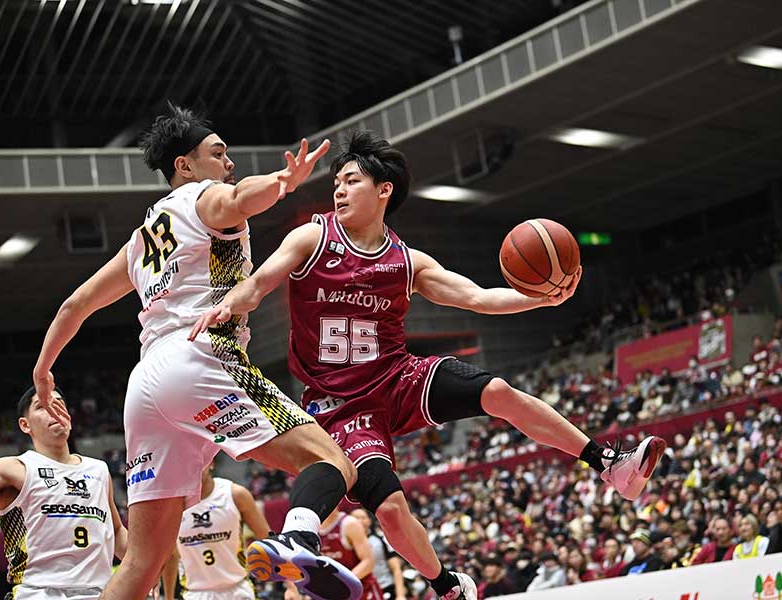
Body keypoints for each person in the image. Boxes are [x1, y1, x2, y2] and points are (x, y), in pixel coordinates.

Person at [189, 130, 666, 600]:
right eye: (336, 182)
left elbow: (477, 297)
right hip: (337, 403)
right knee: (392, 510)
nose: (338, 189)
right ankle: (446, 586)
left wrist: (539, 298)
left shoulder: (407, 261)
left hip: (398, 377)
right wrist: (229, 304)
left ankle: (609, 464)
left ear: (383, 190)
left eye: (351, 180)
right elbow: (259, 282)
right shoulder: (312, 237)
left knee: (498, 392)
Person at [32, 104, 361, 600]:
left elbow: (75, 304)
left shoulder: (141, 240)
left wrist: (42, 369)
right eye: (218, 152)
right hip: (202, 356)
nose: (228, 162)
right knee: (335, 463)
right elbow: (239, 198)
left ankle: (295, 543)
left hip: (145, 384)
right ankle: (295, 539)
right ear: (184, 165)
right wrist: (282, 182)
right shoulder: (203, 198)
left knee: (142, 563)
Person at [0, 389, 128, 599]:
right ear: (25, 425)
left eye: (59, 404)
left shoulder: (99, 470)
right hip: (39, 593)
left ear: (70, 418)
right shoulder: (12, 468)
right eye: (42, 406)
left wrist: (155, 557)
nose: (54, 411)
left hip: (99, 593)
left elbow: (117, 531)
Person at [162, 462, 270, 600]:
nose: (194, 466)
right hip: (195, 593)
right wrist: (168, 597)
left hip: (238, 590)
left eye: (199, 460)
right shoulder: (172, 505)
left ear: (211, 462)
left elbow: (267, 540)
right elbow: (170, 555)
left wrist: (290, 586)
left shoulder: (236, 495)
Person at [286, 508, 383, 600]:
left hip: (362, 591)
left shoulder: (349, 524)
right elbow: (292, 562)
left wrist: (340, 583)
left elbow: (368, 562)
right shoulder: (307, 529)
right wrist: (292, 588)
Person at [350, 508, 407, 600]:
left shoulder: (381, 540)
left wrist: (400, 595)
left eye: (362, 517)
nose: (359, 521)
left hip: (386, 589)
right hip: (362, 592)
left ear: (369, 521)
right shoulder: (346, 544)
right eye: (355, 518)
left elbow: (396, 569)